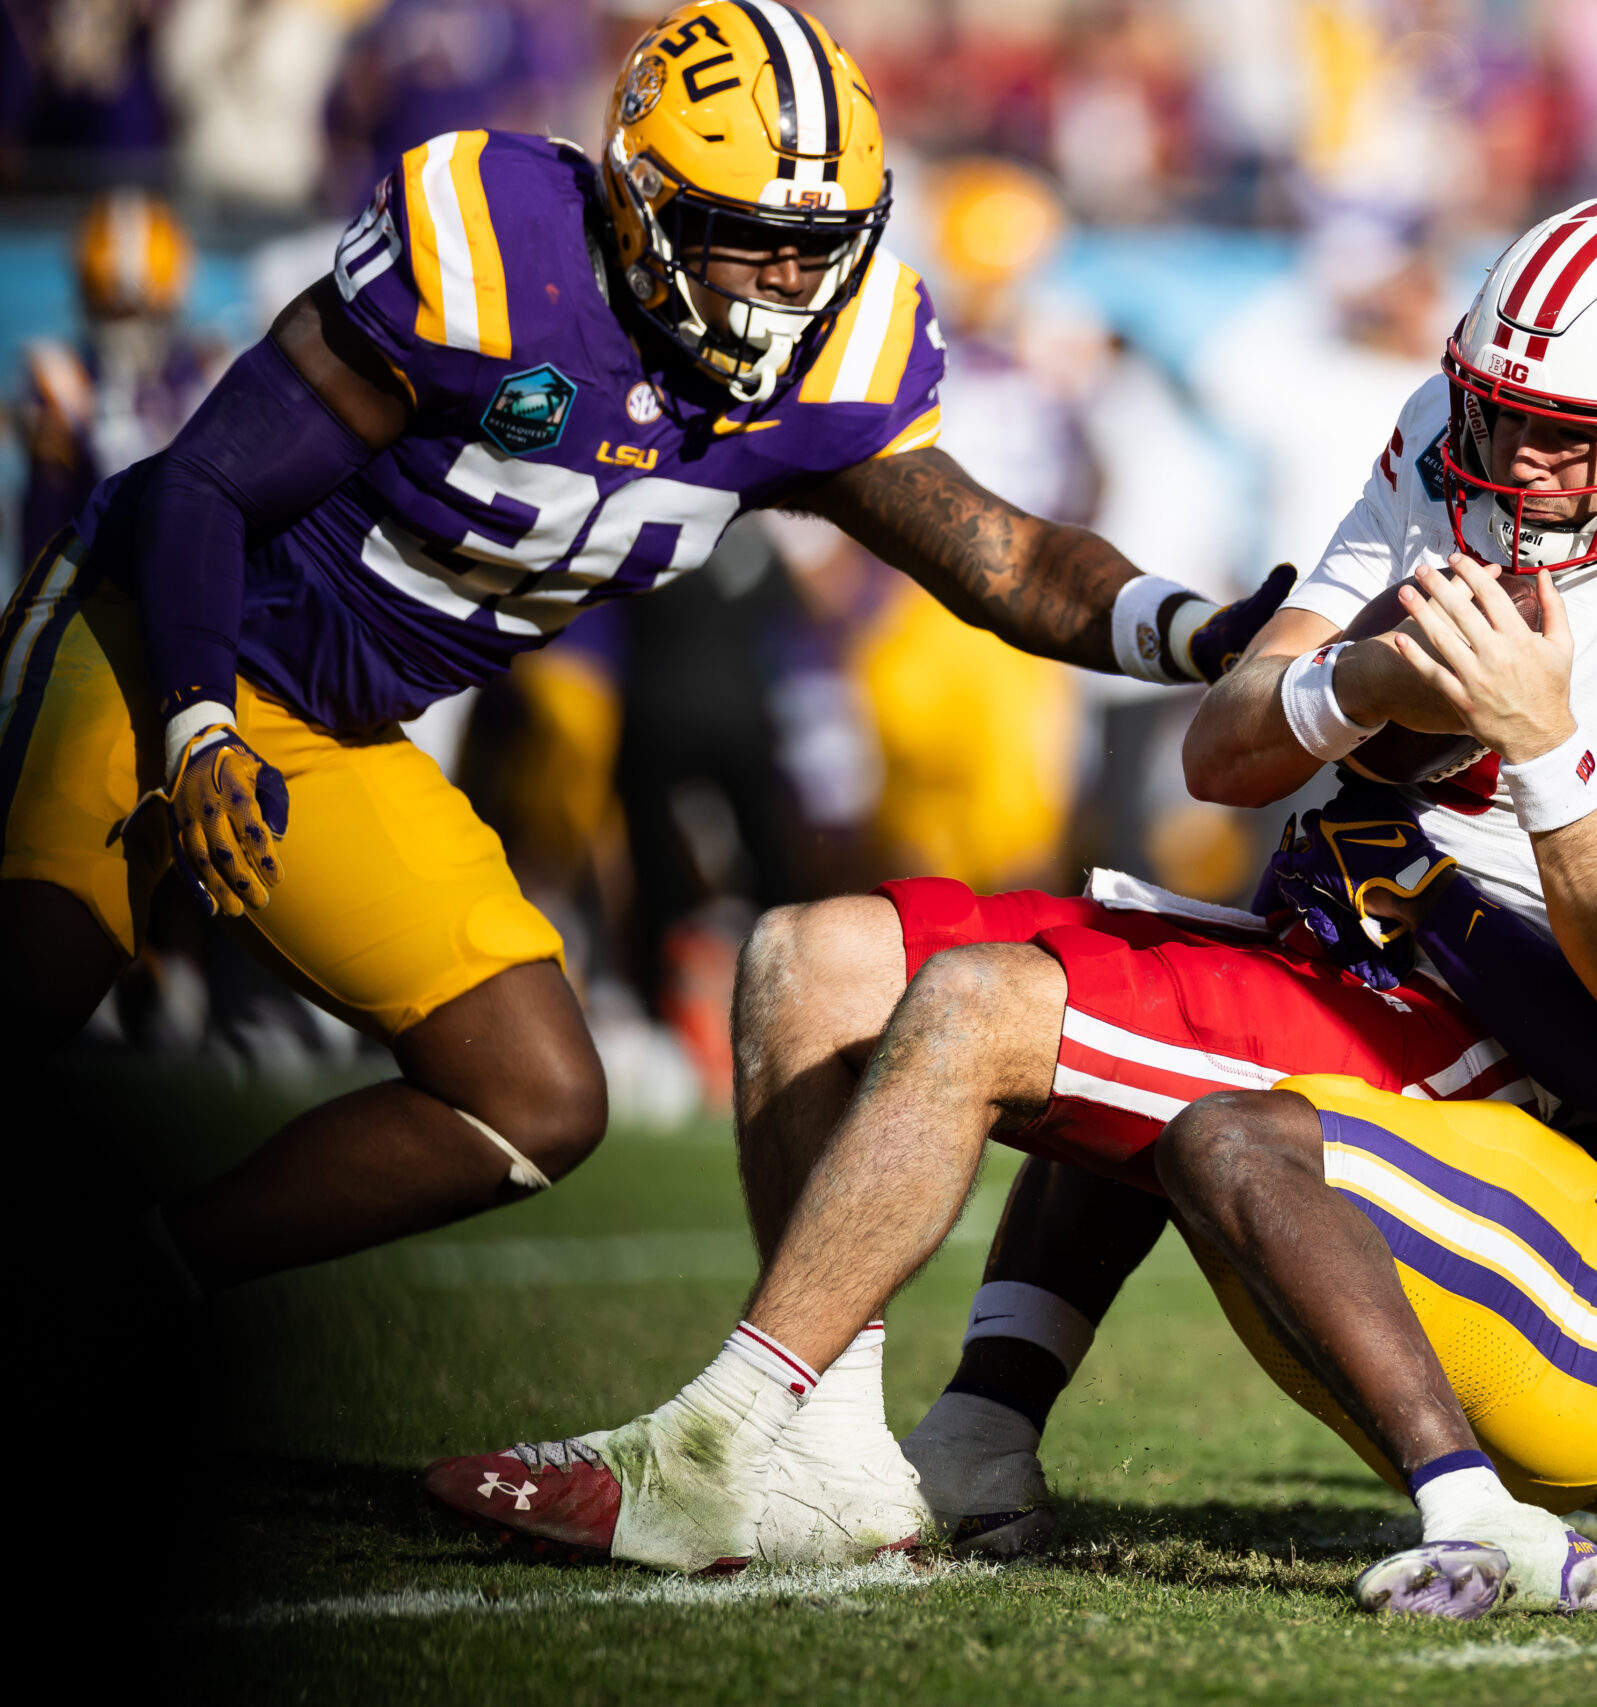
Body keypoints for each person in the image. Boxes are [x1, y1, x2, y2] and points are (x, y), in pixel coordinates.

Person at [422, 197, 1597, 1589]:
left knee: (982, 1002)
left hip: (1478, 1023)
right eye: (1499, 413)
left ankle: (713, 1444)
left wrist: (1545, 746)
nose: (1513, 463)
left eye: (1565, 437)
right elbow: (1226, 750)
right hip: (1326, 942)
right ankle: (838, 1446)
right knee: (807, 954)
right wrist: (1364, 677)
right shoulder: (1449, 432)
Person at [0, 1, 1285, 1300]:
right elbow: (199, 488)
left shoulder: (820, 376)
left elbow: (1007, 560)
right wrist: (194, 722)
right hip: (150, 641)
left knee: (532, 1095)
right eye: (761, 241)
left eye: (823, 243)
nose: (798, 280)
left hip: (332, 733)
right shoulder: (501, 255)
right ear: (643, 206)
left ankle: (121, 1285)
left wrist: (1206, 632)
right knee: (39, 966)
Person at [902, 547, 1597, 1620]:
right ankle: (983, 1425)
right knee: (1186, 1037)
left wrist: (1429, 896)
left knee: (1236, 1137)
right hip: (1533, 1231)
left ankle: (1478, 1520)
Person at [17, 190, 217, 572]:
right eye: (111, 313)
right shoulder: (61, 379)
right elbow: (41, 540)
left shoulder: (207, 371)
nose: (126, 333)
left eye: (140, 314)